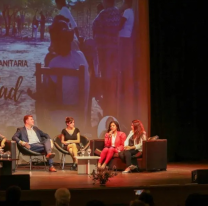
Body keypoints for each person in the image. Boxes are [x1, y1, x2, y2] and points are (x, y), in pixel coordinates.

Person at [92, 0, 121, 116]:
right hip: (116, 50)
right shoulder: (118, 13)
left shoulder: (103, 14)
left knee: (105, 78)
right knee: (113, 78)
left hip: (104, 51)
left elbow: (94, 27)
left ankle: (107, 109)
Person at [117, 0, 135, 126]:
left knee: (121, 60)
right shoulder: (131, 12)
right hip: (127, 38)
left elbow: (120, 24)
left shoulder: (127, 12)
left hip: (124, 38)